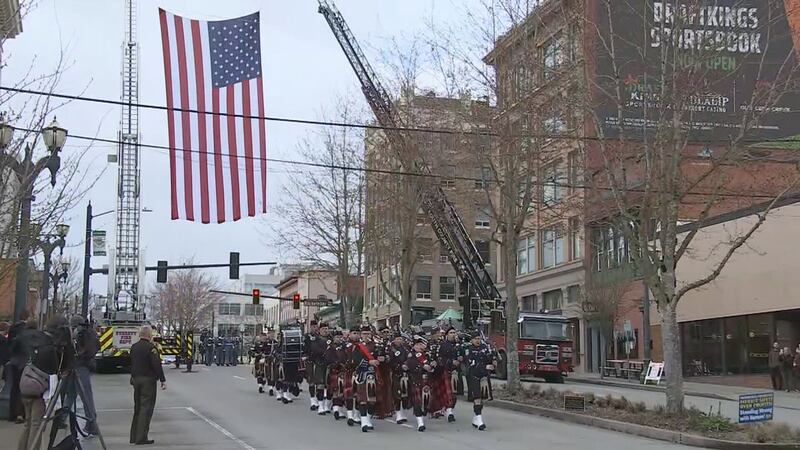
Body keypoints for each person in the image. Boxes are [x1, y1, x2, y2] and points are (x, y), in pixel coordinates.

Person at [17, 315, 73, 450]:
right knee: (36, 425)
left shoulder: (36, 340)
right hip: (40, 390)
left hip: (26, 385)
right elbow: (58, 368)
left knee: (29, 424)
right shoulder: (51, 348)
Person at [129, 325, 166, 446]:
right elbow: (156, 364)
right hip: (148, 381)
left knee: (138, 407)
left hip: (136, 379)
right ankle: (141, 437)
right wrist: (162, 380)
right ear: (149, 335)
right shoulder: (151, 348)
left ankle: (134, 436)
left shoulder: (134, 347)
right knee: (146, 408)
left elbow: (132, 363)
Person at [69, 316, 100, 435]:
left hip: (78, 366)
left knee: (79, 396)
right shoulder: (90, 332)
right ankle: (91, 424)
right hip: (84, 366)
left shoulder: (79, 333)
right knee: (83, 396)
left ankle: (91, 424)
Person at [464, 330, 495, 431]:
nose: (478, 340)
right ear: (472, 340)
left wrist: (493, 360)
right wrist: (485, 366)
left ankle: (476, 418)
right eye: (476, 339)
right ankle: (480, 422)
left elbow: (489, 359)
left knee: (482, 399)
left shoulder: (485, 348)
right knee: (477, 398)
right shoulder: (468, 349)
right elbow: (472, 365)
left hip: (484, 377)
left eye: (479, 338)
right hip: (474, 376)